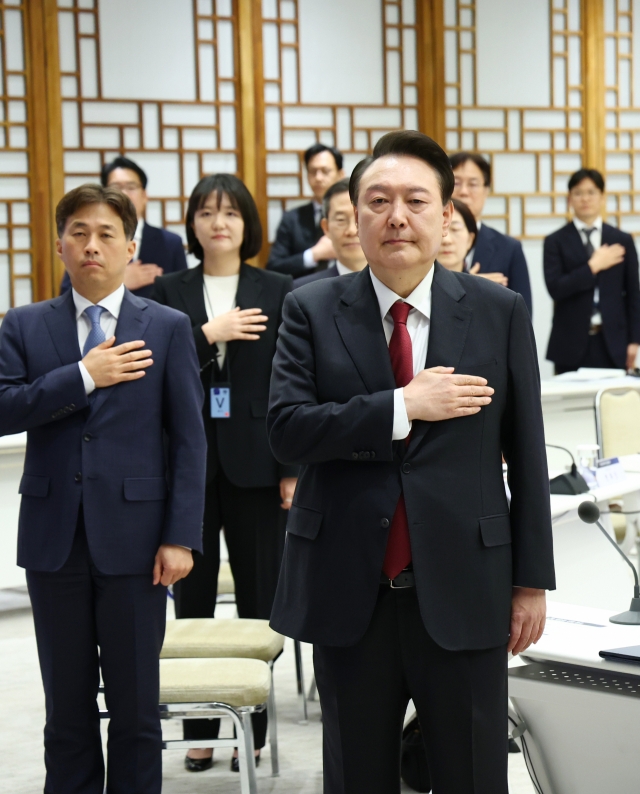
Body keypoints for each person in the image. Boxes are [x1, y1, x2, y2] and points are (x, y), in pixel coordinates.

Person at [267, 130, 555, 794]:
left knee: (474, 772)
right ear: (355, 214)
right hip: (347, 590)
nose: (396, 215)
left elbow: (528, 451)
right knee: (356, 774)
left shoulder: (498, 310)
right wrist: (401, 405)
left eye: (416, 200)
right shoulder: (309, 307)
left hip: (465, 585)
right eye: (378, 200)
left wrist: (531, 581)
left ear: (446, 213)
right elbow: (286, 432)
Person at [0, 184, 206, 794]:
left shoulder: (166, 327)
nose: (92, 245)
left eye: (107, 234)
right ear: (60, 244)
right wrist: (82, 376)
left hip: (140, 545)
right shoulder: (25, 324)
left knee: (137, 709)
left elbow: (190, 441)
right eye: (79, 233)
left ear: (130, 247)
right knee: (66, 711)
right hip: (53, 541)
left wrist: (180, 537)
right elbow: (6, 408)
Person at [152, 173, 297, 772]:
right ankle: (203, 728)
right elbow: (155, 361)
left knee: (262, 601)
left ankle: (254, 732)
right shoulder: (168, 291)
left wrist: (292, 468)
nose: (219, 222)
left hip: (260, 462)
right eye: (208, 212)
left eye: (231, 212)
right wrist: (210, 333)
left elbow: (294, 380)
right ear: (192, 223)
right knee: (193, 602)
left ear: (247, 223)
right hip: (188, 464)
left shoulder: (279, 287)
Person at [544, 168, 640, 374]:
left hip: (613, 341)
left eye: (591, 192)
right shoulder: (555, 241)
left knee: (613, 404)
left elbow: (634, 294)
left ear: (602, 197)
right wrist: (593, 267)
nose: (585, 198)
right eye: (578, 193)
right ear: (570, 199)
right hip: (569, 343)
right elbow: (556, 288)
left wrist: (634, 340)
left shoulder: (621, 240)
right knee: (571, 405)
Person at [61, 156, 188, 298]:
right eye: (116, 188)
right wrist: (119, 281)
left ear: (145, 196)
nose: (124, 194)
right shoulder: (87, 241)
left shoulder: (171, 243)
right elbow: (66, 295)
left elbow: (182, 298)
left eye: (131, 187)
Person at [450, 151, 533, 314]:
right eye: (456, 183)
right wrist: (471, 285)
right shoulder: (431, 241)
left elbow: (523, 315)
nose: (464, 192)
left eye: (473, 184)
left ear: (486, 190)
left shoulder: (509, 248)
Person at [267, 143, 344, 277]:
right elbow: (273, 268)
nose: (318, 178)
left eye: (325, 171)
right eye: (313, 172)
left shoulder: (357, 215)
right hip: (302, 291)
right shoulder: (292, 219)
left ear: (340, 174)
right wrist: (314, 255)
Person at [294, 178, 367, 288]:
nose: (352, 230)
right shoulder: (304, 291)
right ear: (326, 227)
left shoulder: (397, 286)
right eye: (341, 219)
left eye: (360, 219)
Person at [436, 198, 478, 273]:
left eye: (455, 229)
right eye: (438, 230)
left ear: (470, 240)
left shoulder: (480, 285)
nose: (446, 240)